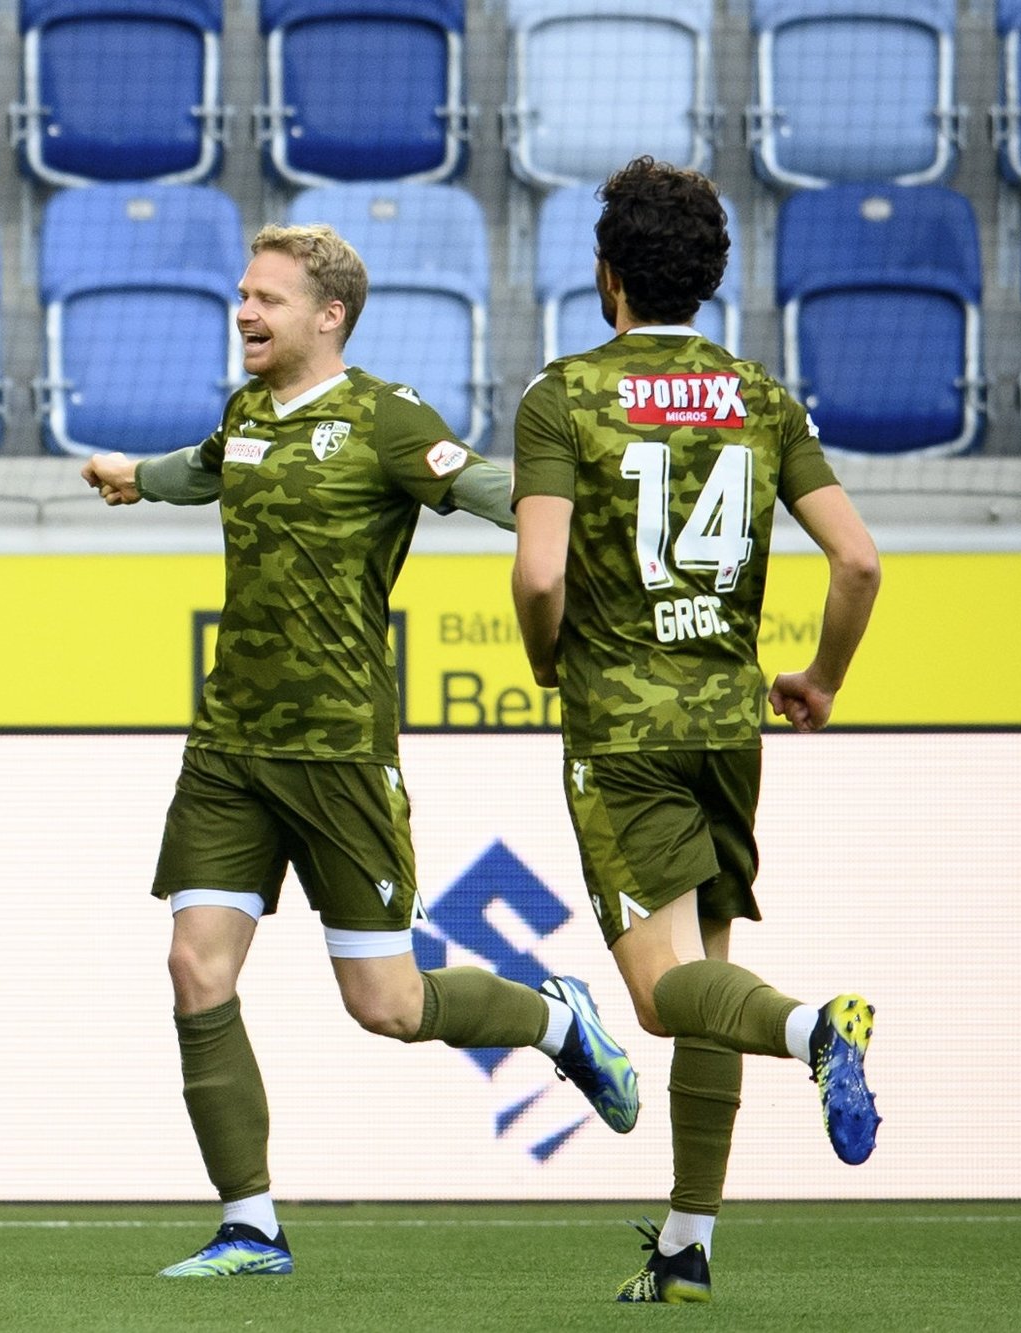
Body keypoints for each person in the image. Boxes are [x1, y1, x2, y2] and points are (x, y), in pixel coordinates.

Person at [80, 223, 642, 1280]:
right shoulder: (246, 411)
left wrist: (577, 525)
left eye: (266, 299)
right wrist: (129, 475)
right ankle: (250, 1226)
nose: (244, 312)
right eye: (241, 293)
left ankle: (554, 1022)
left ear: (327, 315)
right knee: (193, 966)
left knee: (386, 1005)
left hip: (339, 752)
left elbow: (484, 488)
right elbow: (203, 468)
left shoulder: (383, 418)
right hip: (228, 747)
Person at [508, 157, 883, 1305]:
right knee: (704, 970)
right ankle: (685, 1245)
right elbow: (858, 559)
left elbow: (536, 576)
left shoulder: (562, 395)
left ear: (604, 276)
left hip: (620, 730)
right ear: (709, 279)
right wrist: (818, 675)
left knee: (659, 996)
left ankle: (817, 1024)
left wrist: (544, 659)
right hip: (728, 727)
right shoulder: (760, 397)